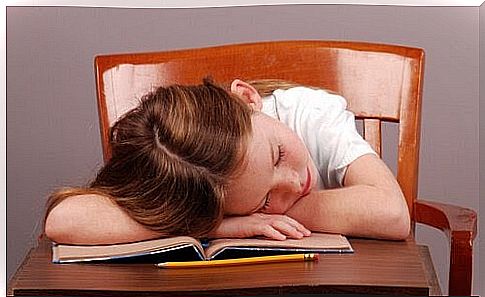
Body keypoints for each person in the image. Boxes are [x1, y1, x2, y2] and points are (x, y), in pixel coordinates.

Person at [44, 79, 410, 245]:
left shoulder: (311, 113)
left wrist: (254, 215)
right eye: (265, 201)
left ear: (248, 99)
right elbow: (64, 220)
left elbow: (391, 213)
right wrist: (212, 225)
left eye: (277, 154)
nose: (293, 183)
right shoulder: (192, 179)